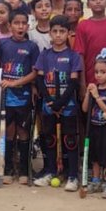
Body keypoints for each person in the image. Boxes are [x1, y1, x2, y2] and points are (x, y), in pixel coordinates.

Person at [32, 16, 83, 191]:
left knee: (70, 140)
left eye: (62, 31)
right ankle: (51, 171)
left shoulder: (73, 56)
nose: (59, 35)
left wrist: (61, 102)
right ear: (50, 33)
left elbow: (74, 82)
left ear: (69, 33)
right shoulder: (44, 55)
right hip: (49, 106)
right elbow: (39, 80)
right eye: (55, 31)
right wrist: (50, 101)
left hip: (67, 106)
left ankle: (72, 176)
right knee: (51, 139)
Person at [0, 9, 40, 184]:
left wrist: (15, 82)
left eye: (23, 23)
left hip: (24, 96)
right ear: (10, 26)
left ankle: (23, 170)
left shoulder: (32, 46)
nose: (20, 26)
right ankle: (7, 170)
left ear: (28, 26)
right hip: (6, 97)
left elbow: (35, 72)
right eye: (16, 23)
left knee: (23, 133)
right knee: (8, 132)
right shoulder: (3, 43)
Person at [84, 51, 106, 198]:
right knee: (95, 156)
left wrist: (97, 97)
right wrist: (88, 93)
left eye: (103, 72)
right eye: (96, 72)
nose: (98, 75)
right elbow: (85, 109)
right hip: (94, 126)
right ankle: (96, 180)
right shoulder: (94, 89)